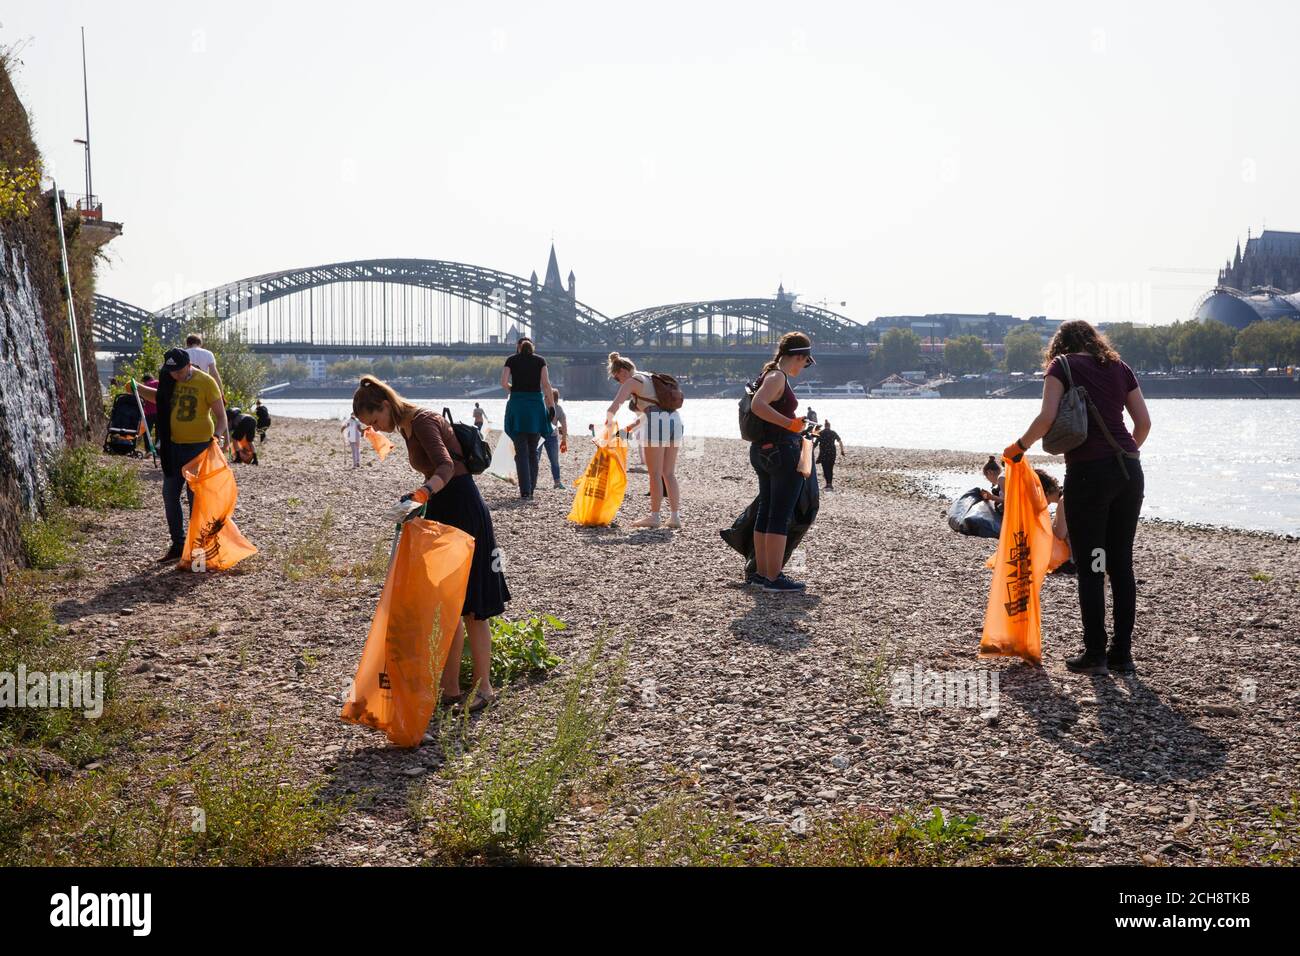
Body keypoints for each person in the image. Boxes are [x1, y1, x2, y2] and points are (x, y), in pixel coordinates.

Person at [353, 376, 509, 713]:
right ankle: (450, 689)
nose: (379, 429)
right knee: (447, 603)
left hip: (463, 508)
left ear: (384, 405)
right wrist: (418, 501)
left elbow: (446, 466)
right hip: (444, 507)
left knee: (472, 608)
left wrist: (422, 493)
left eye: (376, 421)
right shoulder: (408, 426)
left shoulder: (422, 420)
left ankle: (484, 688)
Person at [1004, 319, 1151, 675]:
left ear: (1060, 344)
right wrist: (1122, 458)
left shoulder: (1063, 366)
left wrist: (1018, 448)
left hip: (1090, 476)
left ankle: (1095, 654)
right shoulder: (1119, 367)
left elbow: (1046, 417)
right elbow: (1143, 424)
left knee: (1092, 565)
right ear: (1094, 341)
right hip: (1129, 472)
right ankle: (1123, 655)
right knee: (1120, 564)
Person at [133, 348, 229, 561]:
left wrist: (218, 436)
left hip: (199, 448)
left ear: (189, 365)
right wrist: (138, 388)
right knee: (169, 494)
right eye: (170, 371)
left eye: (177, 370)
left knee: (195, 498)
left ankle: (198, 548)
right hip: (173, 447)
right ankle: (177, 544)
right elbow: (158, 399)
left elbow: (221, 417)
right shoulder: (168, 380)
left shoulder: (206, 382)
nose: (174, 375)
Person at [745, 332, 816, 592]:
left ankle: (762, 574)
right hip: (781, 452)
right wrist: (791, 424)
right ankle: (773, 577)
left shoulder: (769, 374)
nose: (804, 367)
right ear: (798, 356)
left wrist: (790, 421)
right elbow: (758, 405)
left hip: (763, 452)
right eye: (805, 361)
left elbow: (762, 406)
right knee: (780, 514)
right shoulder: (777, 377)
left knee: (766, 511)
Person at [605, 352, 683, 529]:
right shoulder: (649, 377)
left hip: (657, 423)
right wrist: (627, 430)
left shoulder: (632, 381)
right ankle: (674, 517)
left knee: (654, 473)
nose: (620, 382)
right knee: (668, 473)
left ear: (623, 371)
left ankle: (655, 517)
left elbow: (615, 405)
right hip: (675, 421)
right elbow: (647, 413)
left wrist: (608, 424)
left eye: (618, 379)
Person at [500, 338, 555, 500]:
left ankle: (524, 490)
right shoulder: (540, 361)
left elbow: (503, 382)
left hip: (517, 406)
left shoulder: (511, 360)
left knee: (521, 452)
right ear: (532, 348)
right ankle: (531, 488)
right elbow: (546, 384)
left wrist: (514, 391)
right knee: (533, 450)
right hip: (535, 407)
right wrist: (551, 405)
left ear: (518, 347)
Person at [1035, 468, 1075, 574]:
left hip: (1076, 558)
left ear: (1045, 492)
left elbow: (1060, 534)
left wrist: (1045, 523)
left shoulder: (1063, 501)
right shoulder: (1071, 494)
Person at [539, 388, 569, 490]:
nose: (545, 398)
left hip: (552, 437)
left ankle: (557, 482)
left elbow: (564, 425)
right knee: (535, 459)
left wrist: (564, 440)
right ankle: (531, 481)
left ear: (553, 398)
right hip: (538, 436)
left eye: (547, 396)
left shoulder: (558, 409)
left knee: (554, 461)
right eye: (545, 396)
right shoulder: (540, 406)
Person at [813, 420, 845, 491]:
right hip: (832, 453)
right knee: (830, 468)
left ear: (825, 426)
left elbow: (815, 443)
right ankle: (830, 484)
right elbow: (840, 441)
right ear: (829, 426)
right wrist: (842, 450)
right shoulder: (833, 433)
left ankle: (828, 484)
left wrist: (811, 450)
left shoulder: (821, 433)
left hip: (823, 453)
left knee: (825, 468)